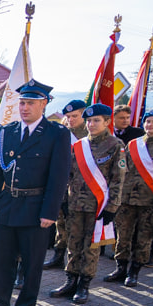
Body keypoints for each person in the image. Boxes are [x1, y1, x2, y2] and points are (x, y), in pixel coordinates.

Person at [0, 79, 70, 306]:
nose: (24, 108)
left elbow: (58, 176)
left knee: (31, 263)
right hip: (8, 203)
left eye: (30, 103)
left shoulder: (56, 134)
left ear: (44, 104)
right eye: (21, 103)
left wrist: (50, 211)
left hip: (35, 206)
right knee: (3, 259)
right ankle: (0, 303)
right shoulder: (7, 132)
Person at [49, 104, 125, 304]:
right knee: (73, 244)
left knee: (90, 247)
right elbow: (68, 174)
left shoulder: (115, 145)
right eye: (89, 120)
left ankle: (84, 284)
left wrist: (112, 208)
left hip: (98, 207)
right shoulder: (79, 145)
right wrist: (63, 200)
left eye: (96, 120)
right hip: (75, 205)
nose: (91, 124)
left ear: (107, 122)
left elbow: (118, 179)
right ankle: (70, 280)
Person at [108, 110, 153, 286]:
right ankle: (120, 268)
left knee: (144, 237)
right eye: (147, 122)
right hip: (126, 199)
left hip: (149, 200)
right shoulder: (133, 145)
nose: (150, 125)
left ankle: (134, 271)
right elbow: (121, 168)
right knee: (123, 235)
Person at [44, 100, 88, 270]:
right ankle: (58, 256)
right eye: (68, 116)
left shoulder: (88, 136)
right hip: (62, 188)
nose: (70, 120)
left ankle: (76, 264)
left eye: (75, 116)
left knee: (76, 230)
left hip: (82, 191)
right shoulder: (62, 134)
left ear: (84, 115)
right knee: (60, 225)